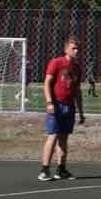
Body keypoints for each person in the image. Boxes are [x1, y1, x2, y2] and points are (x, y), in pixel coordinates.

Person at [38, 37, 85, 181]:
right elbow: (47, 83)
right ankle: (45, 170)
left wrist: (81, 111)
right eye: (73, 48)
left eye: (77, 48)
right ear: (66, 50)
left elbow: (77, 91)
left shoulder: (77, 67)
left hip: (69, 107)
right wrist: (49, 103)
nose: (76, 51)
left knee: (64, 138)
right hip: (56, 104)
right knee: (53, 136)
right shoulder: (57, 62)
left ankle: (61, 169)